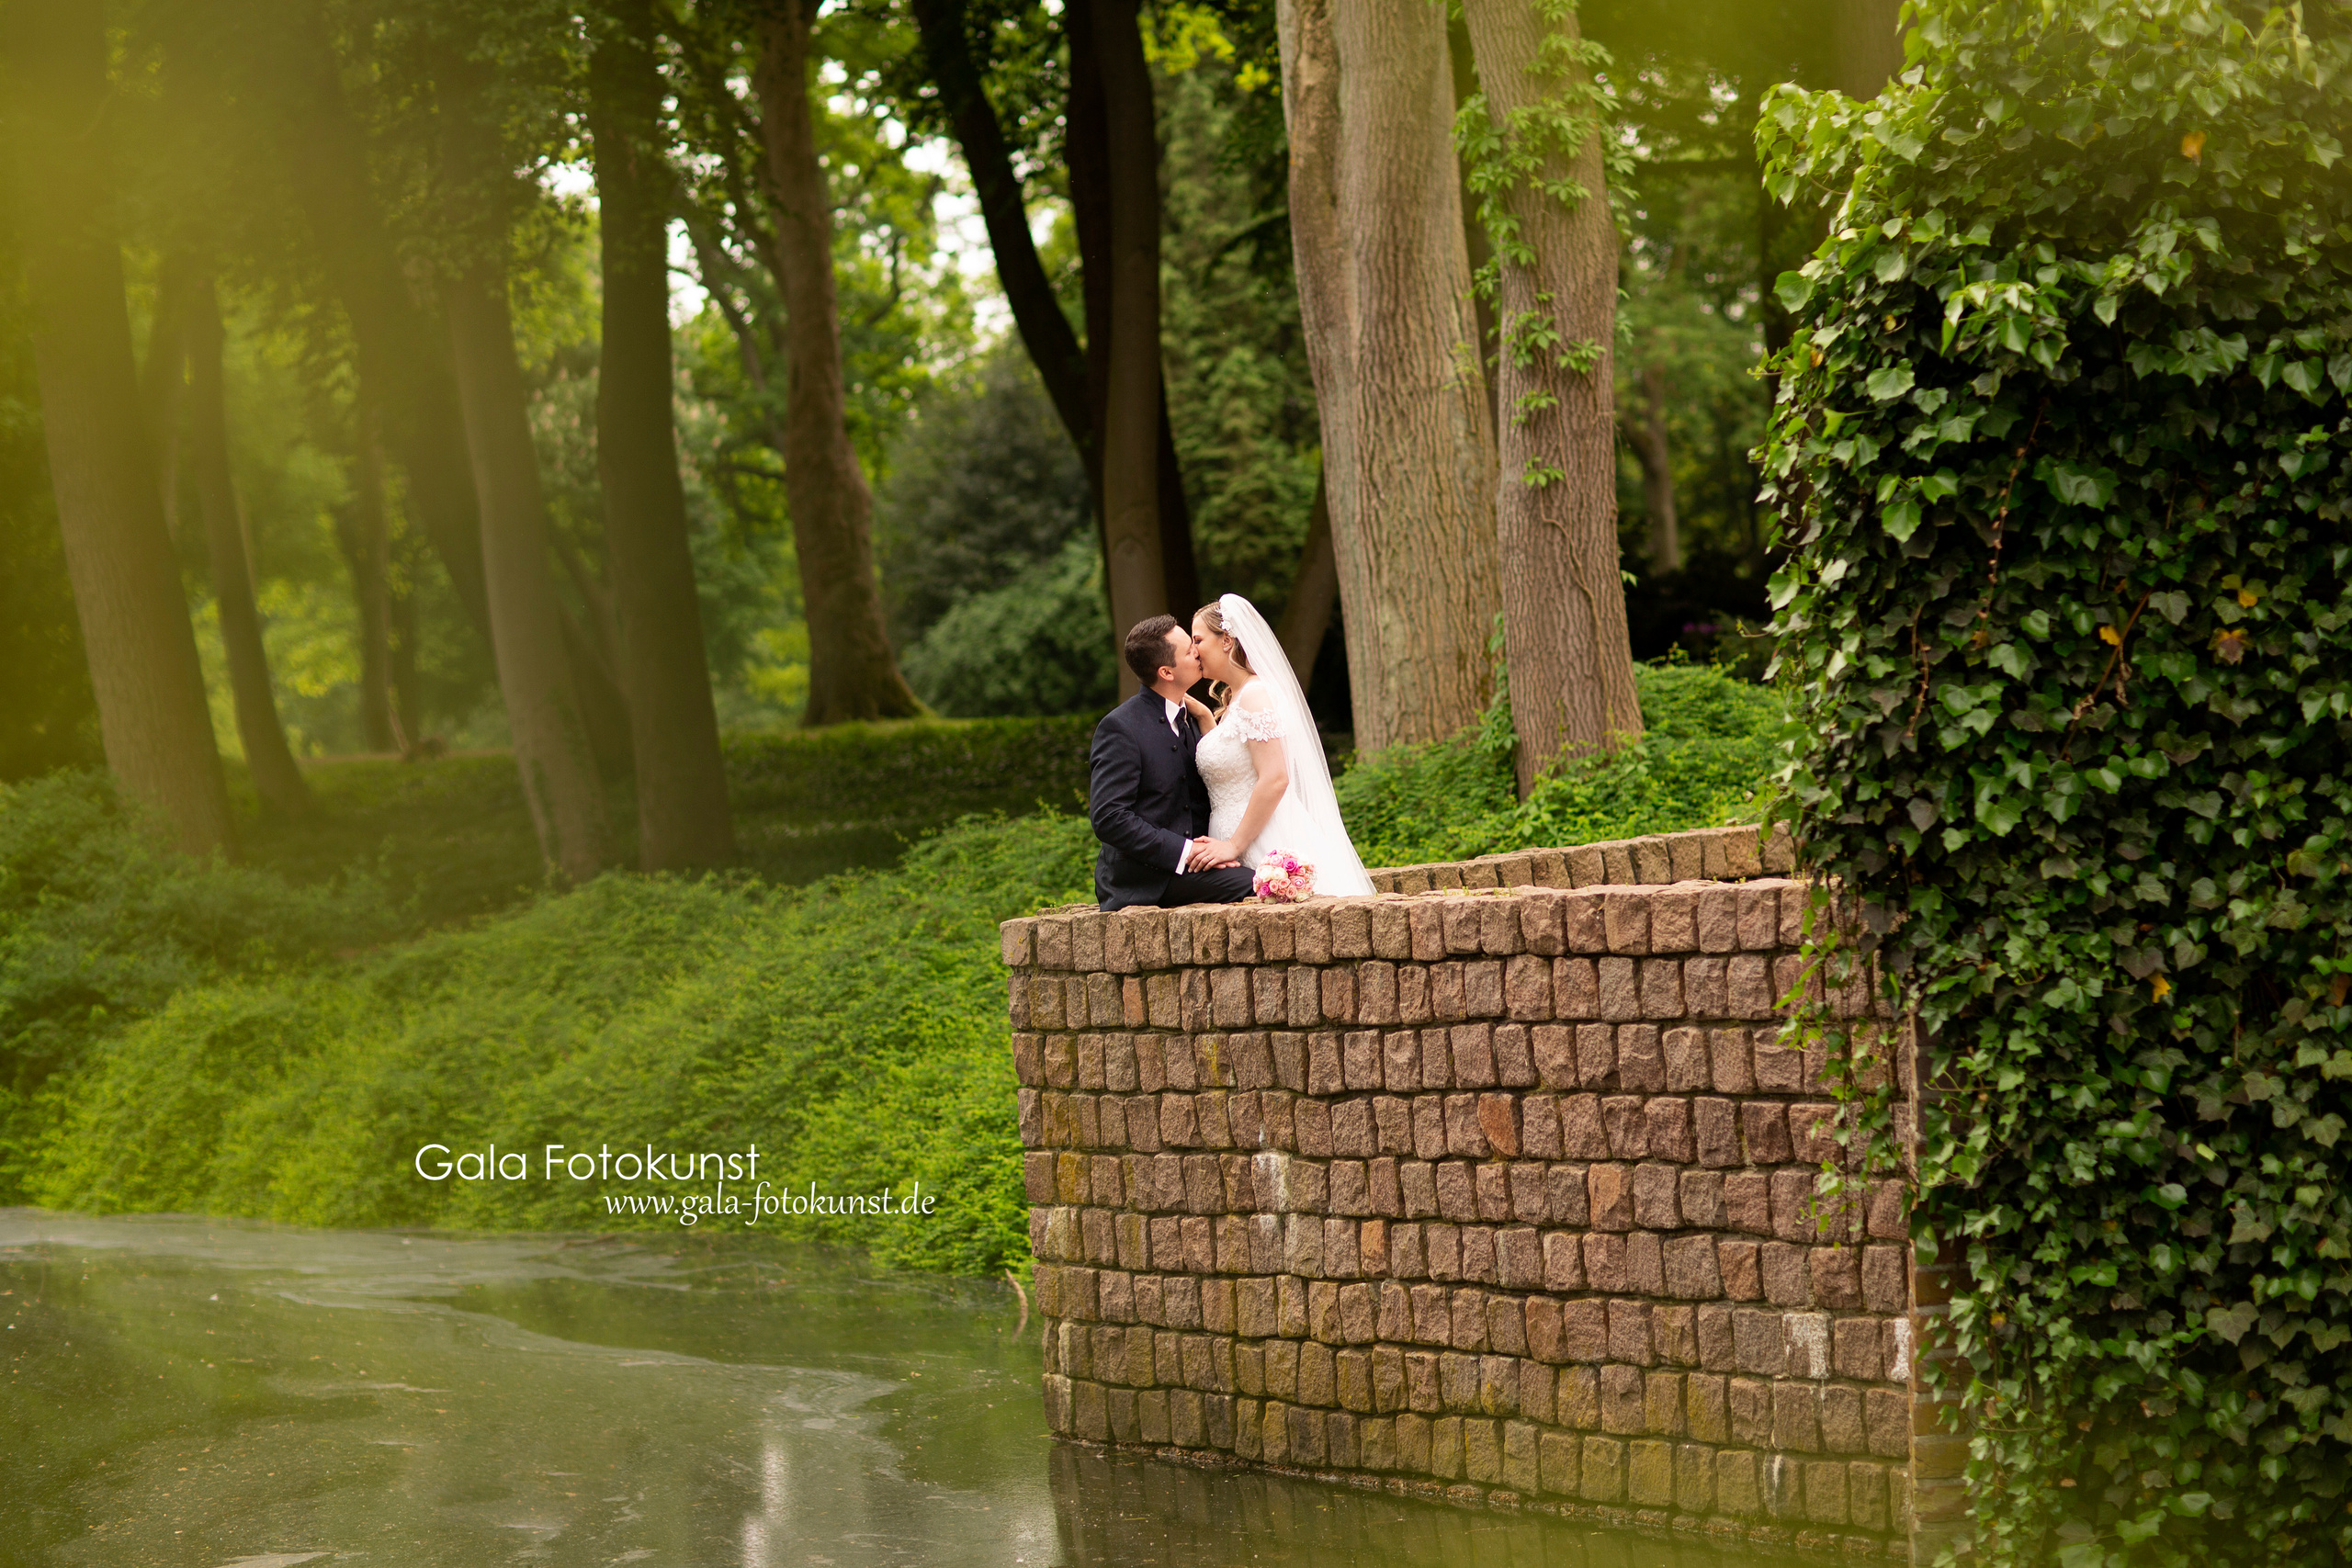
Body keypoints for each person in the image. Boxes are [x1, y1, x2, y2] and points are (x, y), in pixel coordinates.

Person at [1186, 594, 1375, 897]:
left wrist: (1234, 845)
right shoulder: (1236, 698)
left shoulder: (1256, 695)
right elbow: (1235, 759)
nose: (1193, 651)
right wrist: (1207, 720)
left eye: (1198, 639)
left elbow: (1275, 778)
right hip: (1229, 840)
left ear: (1226, 640)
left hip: (1261, 839)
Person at [1087, 615, 1256, 910]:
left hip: (1201, 864)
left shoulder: (1190, 718)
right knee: (1261, 884)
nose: (1198, 651)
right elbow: (1109, 817)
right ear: (1166, 672)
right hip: (1147, 881)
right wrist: (1187, 851)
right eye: (1190, 648)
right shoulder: (1120, 728)